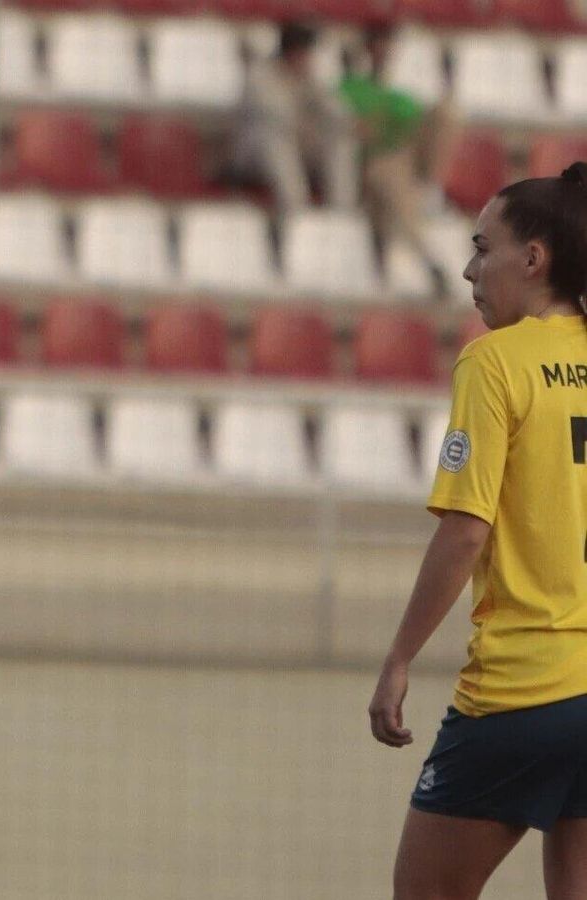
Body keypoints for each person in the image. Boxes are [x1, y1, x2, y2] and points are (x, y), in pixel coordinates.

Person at [369, 164, 587, 899]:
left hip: (525, 687)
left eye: (482, 248)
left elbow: (465, 531)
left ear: (534, 259)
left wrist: (399, 657)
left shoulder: (495, 362)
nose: (468, 269)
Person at [342, 23, 462, 299]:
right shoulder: (352, 85)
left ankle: (431, 184)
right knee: (393, 185)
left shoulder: (404, 81)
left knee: (448, 113)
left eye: (388, 44)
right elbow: (361, 127)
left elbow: (413, 118)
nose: (383, 50)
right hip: (380, 156)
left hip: (408, 148)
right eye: (378, 44)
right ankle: (430, 260)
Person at [227, 22, 358, 213]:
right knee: (277, 142)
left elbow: (337, 111)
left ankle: (342, 212)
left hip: (296, 149)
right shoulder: (261, 76)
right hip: (254, 154)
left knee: (340, 141)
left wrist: (341, 116)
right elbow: (278, 117)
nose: (306, 58)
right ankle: (296, 212)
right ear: (290, 52)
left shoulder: (309, 77)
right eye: (302, 52)